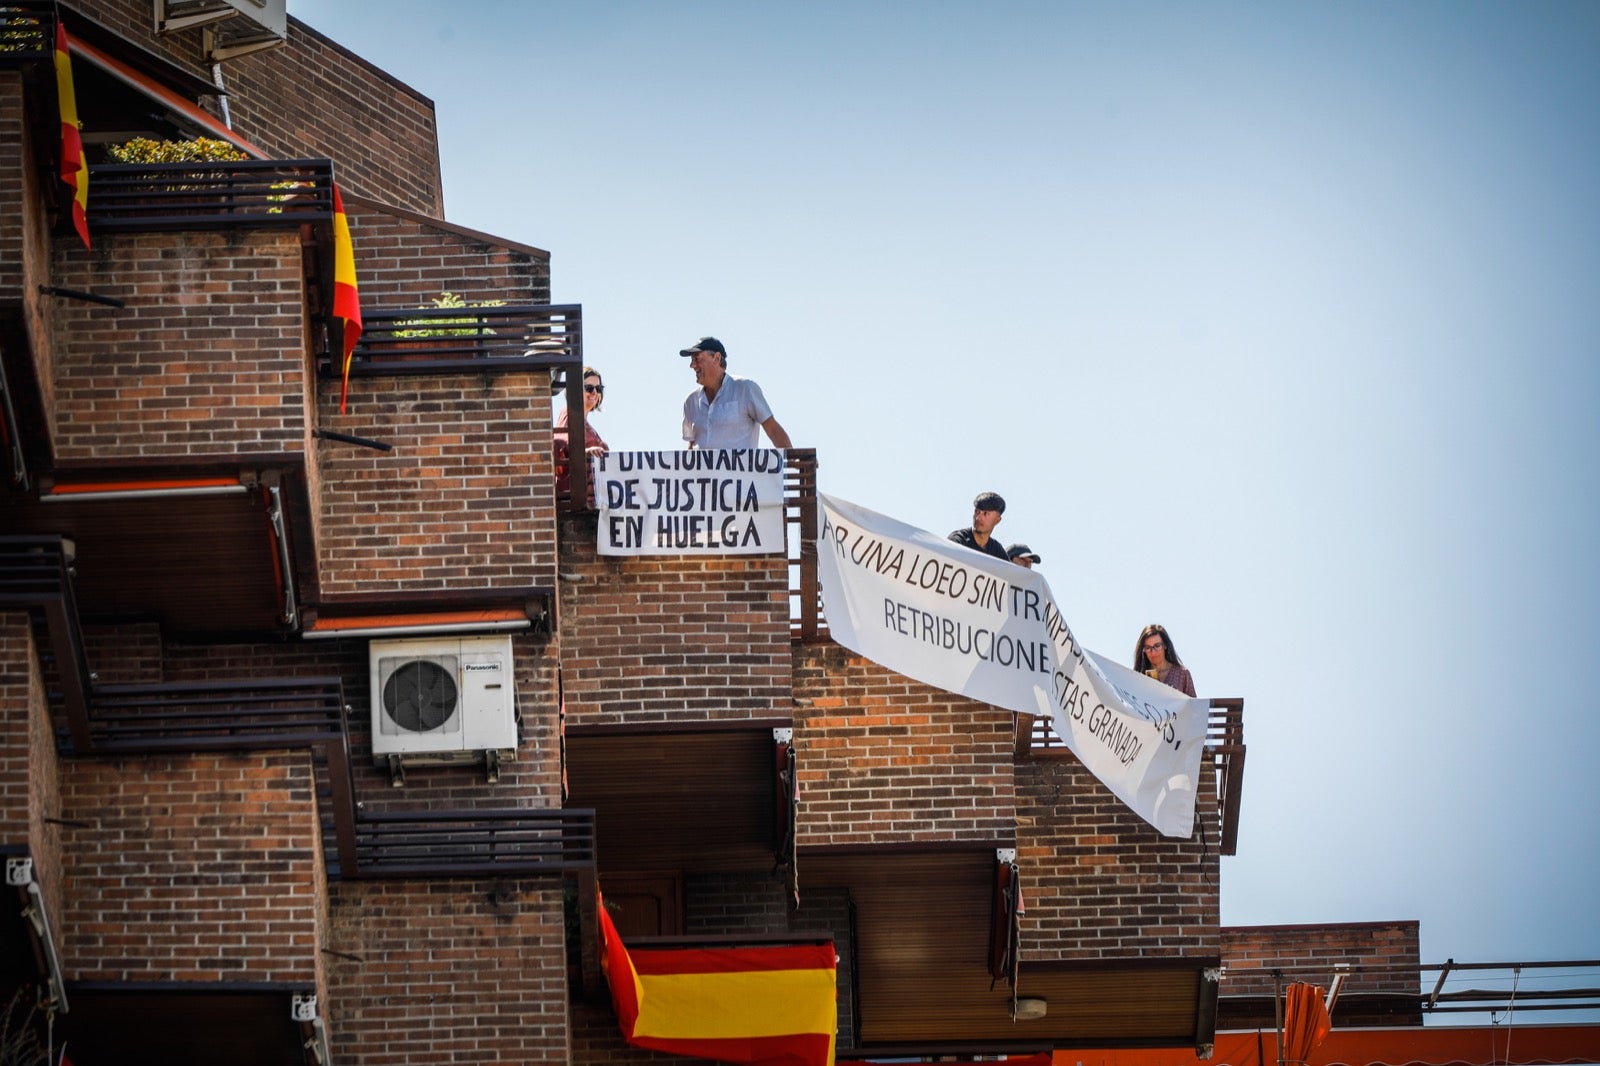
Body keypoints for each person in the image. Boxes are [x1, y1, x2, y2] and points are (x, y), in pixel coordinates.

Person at [680, 336, 792, 450]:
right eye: (692, 360)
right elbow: (691, 445)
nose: (692, 365)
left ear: (716, 358)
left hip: (742, 469)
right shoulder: (690, 401)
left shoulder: (745, 389)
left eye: (697, 359)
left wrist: (794, 462)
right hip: (703, 469)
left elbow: (772, 429)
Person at [554, 366, 608, 497]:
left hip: (592, 493)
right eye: (589, 388)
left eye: (598, 388)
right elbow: (561, 442)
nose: (594, 392)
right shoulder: (569, 412)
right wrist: (586, 452)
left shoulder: (588, 425)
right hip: (575, 494)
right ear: (576, 390)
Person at [1134, 623, 1196, 697]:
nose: (1153, 652)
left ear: (1165, 645)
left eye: (1157, 646)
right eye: (1148, 648)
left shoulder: (1182, 674)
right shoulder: (1138, 678)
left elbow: (1194, 706)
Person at [949, 492, 1009, 562]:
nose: (978, 518)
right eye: (977, 512)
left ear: (997, 520)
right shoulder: (959, 540)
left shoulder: (997, 552)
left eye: (985, 513)